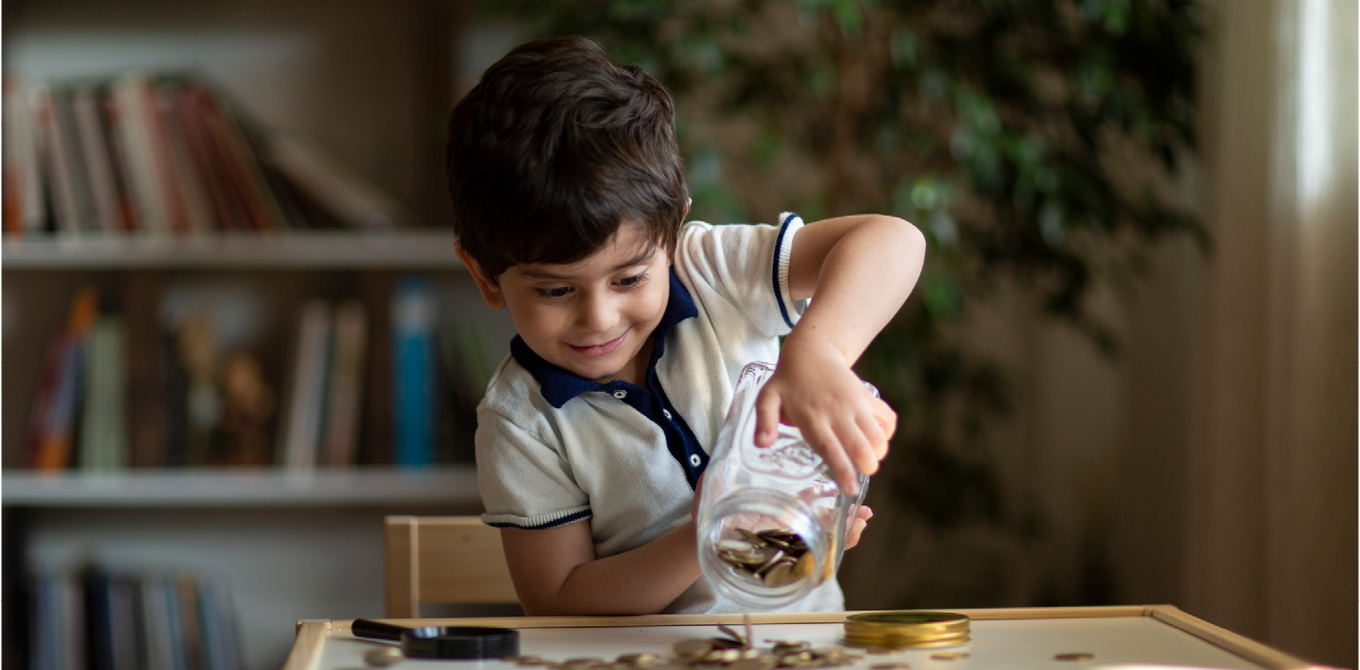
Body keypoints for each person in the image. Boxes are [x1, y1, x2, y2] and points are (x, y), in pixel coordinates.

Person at [447, 36, 926, 616]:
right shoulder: (521, 422)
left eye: (628, 279)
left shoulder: (709, 272)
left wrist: (818, 353)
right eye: (555, 289)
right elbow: (560, 602)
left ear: (672, 236)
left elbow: (894, 240)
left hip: (803, 648)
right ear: (486, 276)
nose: (598, 318)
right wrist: (712, 531)